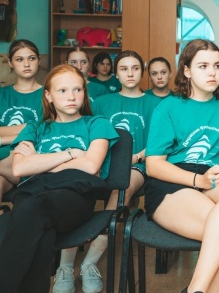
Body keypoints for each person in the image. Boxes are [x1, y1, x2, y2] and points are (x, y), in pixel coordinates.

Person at [0, 64, 119, 293]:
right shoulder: (35, 128)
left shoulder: (96, 124)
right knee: (41, 234)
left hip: (74, 198)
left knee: (22, 216)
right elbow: (20, 167)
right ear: (48, 95)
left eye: (77, 90)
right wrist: (71, 154)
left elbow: (91, 165)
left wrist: (39, 161)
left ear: (85, 93)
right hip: (32, 195)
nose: (71, 97)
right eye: (62, 90)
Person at [144, 39, 219, 293]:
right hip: (173, 181)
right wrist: (197, 181)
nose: (213, 72)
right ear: (187, 70)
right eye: (203, 66)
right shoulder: (168, 107)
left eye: (217, 66)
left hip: (213, 179)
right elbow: (153, 165)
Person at [54, 51, 161, 293]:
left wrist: (135, 156)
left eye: (135, 68)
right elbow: (86, 134)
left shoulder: (156, 104)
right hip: (99, 161)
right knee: (76, 192)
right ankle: (65, 266)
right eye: (124, 69)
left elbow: (158, 142)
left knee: (121, 189)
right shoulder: (102, 102)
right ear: (116, 73)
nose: (130, 73)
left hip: (137, 164)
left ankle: (90, 263)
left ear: (142, 71)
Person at [0, 39, 44, 203]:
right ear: (10, 62)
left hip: (30, 158)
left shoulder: (49, 95)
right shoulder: (2, 94)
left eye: (31, 58)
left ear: (39, 60)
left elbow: (43, 131)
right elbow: (34, 128)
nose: (26, 64)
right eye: (19, 59)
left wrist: (2, 138)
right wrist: (28, 127)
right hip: (5, 165)